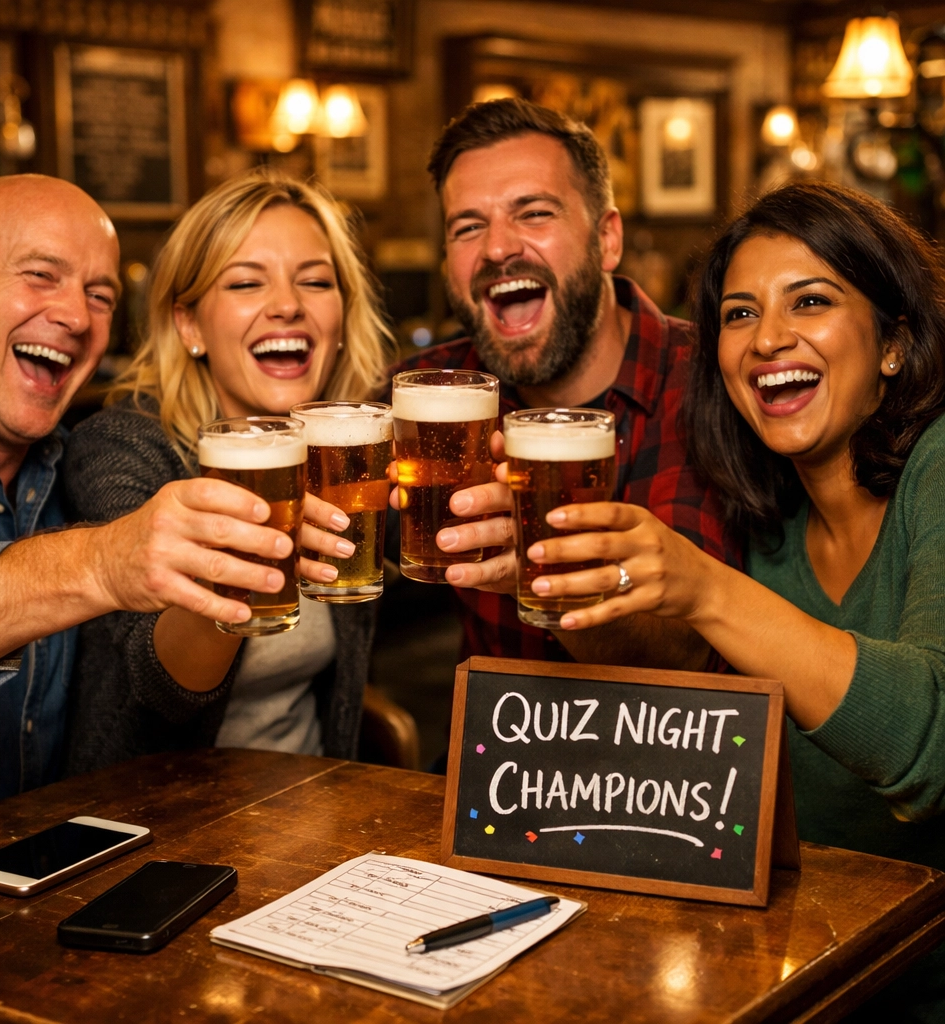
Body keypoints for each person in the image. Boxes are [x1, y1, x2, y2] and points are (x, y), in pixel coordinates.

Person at [521, 181, 945, 1021]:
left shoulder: (938, 469)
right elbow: (693, 706)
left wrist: (703, 585)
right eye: (739, 314)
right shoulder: (768, 512)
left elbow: (929, 743)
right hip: (789, 968)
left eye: (812, 301)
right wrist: (544, 574)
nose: (769, 340)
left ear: (894, 343)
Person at [0, 175, 327, 828]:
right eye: (40, 275)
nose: (77, 317)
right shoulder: (119, 451)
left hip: (36, 878)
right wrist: (104, 562)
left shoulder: (61, 465)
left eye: (99, 294)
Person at [62, 171, 393, 774]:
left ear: (342, 318)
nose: (288, 305)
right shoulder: (124, 448)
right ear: (189, 326)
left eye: (316, 282)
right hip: (161, 827)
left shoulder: (348, 449)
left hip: (317, 816)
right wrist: (246, 559)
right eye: (245, 282)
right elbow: (155, 691)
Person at [390, 98, 737, 669]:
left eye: (534, 213)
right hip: (497, 751)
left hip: (678, 750)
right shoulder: (429, 394)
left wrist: (535, 566)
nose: (497, 248)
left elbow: (695, 650)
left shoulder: (712, 377)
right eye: (469, 226)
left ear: (607, 239)